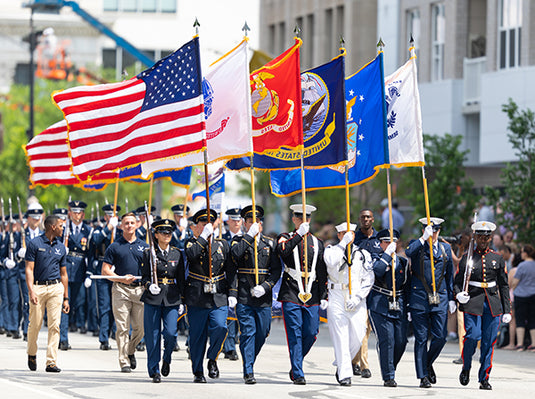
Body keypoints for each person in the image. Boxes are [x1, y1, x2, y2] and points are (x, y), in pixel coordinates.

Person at [454, 221, 511, 390]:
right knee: (472, 335)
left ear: (491, 238)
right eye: (480, 236)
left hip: (492, 303)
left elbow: (504, 285)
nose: (483, 239)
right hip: (472, 301)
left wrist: (507, 309)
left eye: (486, 237)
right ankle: (466, 366)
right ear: (475, 237)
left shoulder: (497, 258)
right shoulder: (467, 257)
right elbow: (457, 281)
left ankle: (484, 377)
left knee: (489, 341)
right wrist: (458, 294)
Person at [229, 205, 282, 384]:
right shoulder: (238, 241)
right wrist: (249, 236)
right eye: (250, 220)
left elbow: (276, 270)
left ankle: (250, 358)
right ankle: (248, 368)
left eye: (257, 221)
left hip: (263, 296)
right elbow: (234, 257)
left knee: (263, 331)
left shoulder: (269, 243)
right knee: (248, 332)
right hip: (244, 293)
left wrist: (266, 287)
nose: (254, 223)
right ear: (244, 223)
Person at [276, 204, 327, 385]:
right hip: (291, 290)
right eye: (299, 217)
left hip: (311, 292)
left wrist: (324, 295)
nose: (303, 220)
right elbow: (283, 251)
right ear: (293, 219)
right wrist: (298, 235)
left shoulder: (317, 242)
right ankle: (298, 372)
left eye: (306, 217)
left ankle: (295, 362)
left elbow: (321, 271)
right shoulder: (285, 237)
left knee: (312, 332)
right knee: (295, 333)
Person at [184, 208, 237, 383]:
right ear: (197, 226)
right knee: (197, 336)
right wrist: (202, 237)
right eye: (203, 223)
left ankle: (213, 357)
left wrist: (232, 292)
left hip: (218, 294)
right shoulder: (191, 243)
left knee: (220, 327)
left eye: (210, 223)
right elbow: (191, 256)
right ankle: (198, 371)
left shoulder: (222, 244)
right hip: (197, 295)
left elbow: (230, 270)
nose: (207, 226)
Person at [405, 217, 455, 388]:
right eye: (429, 231)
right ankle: (423, 376)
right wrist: (423, 239)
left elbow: (449, 275)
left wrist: (451, 298)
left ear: (439, 231)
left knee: (441, 337)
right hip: (419, 297)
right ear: (423, 230)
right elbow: (408, 252)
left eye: (435, 231)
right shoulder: (417, 245)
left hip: (439, 297)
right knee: (420, 339)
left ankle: (426, 363)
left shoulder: (445, 247)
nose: (432, 234)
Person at [323, 222, 374, 386]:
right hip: (337, 295)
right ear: (339, 235)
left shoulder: (363, 254)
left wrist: (359, 297)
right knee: (340, 336)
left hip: (356, 298)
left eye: (350, 233)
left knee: (358, 337)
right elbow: (331, 262)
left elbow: (369, 278)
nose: (348, 235)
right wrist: (343, 244)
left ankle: (341, 360)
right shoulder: (331, 251)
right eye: (344, 233)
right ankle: (345, 373)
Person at [102, 212, 149, 372]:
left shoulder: (145, 246)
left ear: (137, 224)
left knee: (140, 328)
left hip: (140, 290)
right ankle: (124, 361)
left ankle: (130, 350)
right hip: (121, 290)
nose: (129, 225)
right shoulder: (114, 246)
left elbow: (151, 269)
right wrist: (121, 279)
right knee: (122, 328)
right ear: (121, 226)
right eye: (126, 223)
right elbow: (105, 270)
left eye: (131, 222)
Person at [140, 219, 185, 383]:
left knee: (171, 334)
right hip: (153, 298)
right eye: (163, 233)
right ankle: (154, 369)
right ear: (156, 235)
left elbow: (181, 278)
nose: (167, 235)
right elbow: (144, 276)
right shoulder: (148, 253)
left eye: (169, 232)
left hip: (172, 297)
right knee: (152, 337)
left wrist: (182, 300)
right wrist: (149, 285)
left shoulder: (177, 253)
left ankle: (167, 358)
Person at [25, 215, 69, 372]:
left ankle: (51, 362)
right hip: (38, 288)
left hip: (56, 288)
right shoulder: (34, 244)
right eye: (61, 226)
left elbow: (64, 274)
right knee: (35, 325)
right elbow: (29, 269)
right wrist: (31, 291)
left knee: (54, 326)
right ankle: (31, 353)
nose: (63, 229)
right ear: (53, 227)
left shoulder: (61, 247)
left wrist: (66, 298)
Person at [368, 229, 409, 387]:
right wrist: (386, 256)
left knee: (401, 341)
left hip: (398, 304)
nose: (391, 244)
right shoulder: (374, 258)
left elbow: (406, 284)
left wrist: (408, 307)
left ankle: (390, 366)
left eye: (393, 242)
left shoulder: (402, 262)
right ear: (380, 243)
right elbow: (378, 271)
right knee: (387, 340)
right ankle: (388, 375)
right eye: (386, 242)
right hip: (380, 303)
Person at [352, 208, 381, 378]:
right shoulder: (354, 239)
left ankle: (356, 361)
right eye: (363, 217)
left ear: (373, 219)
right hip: (358, 289)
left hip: (376, 289)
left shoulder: (380, 239)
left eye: (368, 217)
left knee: (367, 328)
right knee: (360, 327)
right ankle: (363, 365)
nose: (365, 219)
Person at [59, 200, 92, 350]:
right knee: (64, 304)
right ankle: (63, 339)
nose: (76, 215)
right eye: (74, 212)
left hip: (80, 270)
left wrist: (89, 273)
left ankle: (72, 327)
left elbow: (91, 254)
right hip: (65, 269)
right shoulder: (63, 229)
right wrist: (61, 249)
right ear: (70, 213)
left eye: (79, 212)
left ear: (83, 214)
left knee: (78, 304)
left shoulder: (88, 230)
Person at [90, 203, 120, 350]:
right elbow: (95, 241)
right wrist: (108, 228)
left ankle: (116, 333)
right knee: (104, 306)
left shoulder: (120, 231)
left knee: (118, 305)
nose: (111, 217)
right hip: (103, 269)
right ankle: (104, 338)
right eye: (108, 215)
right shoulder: (99, 230)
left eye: (113, 215)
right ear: (105, 217)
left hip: (117, 270)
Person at [17, 202, 44, 341]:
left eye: (38, 217)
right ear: (28, 218)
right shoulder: (21, 234)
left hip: (40, 273)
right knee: (27, 302)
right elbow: (14, 254)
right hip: (25, 273)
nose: (35, 220)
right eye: (33, 217)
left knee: (37, 303)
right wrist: (19, 253)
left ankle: (35, 328)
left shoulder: (44, 235)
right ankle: (27, 330)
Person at [221, 207, 242, 361]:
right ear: (228, 221)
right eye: (233, 219)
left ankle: (236, 341)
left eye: (238, 219)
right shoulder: (222, 238)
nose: (236, 222)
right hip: (227, 278)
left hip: (243, 280)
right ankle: (229, 347)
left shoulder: (247, 238)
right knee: (229, 314)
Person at [511, 244, 535, 351]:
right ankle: (534, 344)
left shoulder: (522, 266)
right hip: (533, 295)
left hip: (521, 295)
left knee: (520, 319)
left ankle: (520, 344)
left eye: (522, 252)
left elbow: (515, 281)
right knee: (532, 320)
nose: (521, 254)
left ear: (526, 253)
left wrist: (513, 288)